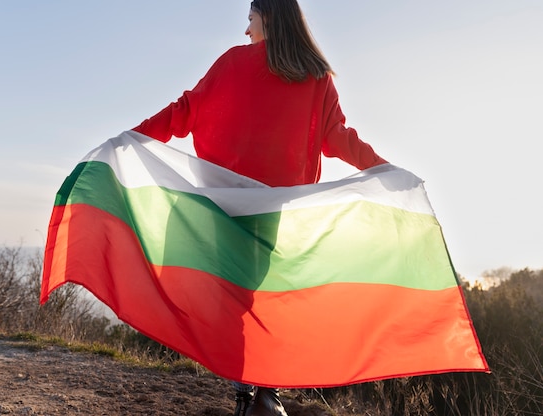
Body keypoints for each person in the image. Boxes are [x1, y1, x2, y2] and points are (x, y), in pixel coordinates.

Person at [133, 1, 387, 415]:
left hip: (228, 204)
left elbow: (185, 112)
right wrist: (382, 169)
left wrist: (134, 137)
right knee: (266, 294)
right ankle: (265, 393)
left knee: (235, 297)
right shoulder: (316, 77)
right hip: (275, 208)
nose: (246, 30)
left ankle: (248, 394)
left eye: (250, 19)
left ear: (267, 17)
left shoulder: (233, 64)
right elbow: (339, 137)